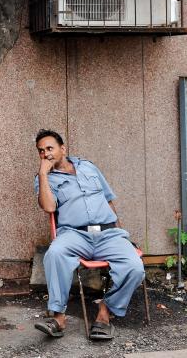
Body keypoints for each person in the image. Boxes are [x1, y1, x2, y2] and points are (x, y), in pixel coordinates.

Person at [33, 129, 145, 340]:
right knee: (54, 253)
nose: (45, 153)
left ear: (62, 148)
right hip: (74, 235)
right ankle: (58, 317)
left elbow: (109, 200)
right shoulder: (44, 179)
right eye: (41, 151)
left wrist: (121, 234)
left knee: (134, 267)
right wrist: (42, 173)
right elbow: (48, 207)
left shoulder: (88, 167)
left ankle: (105, 312)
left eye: (50, 148)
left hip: (108, 234)